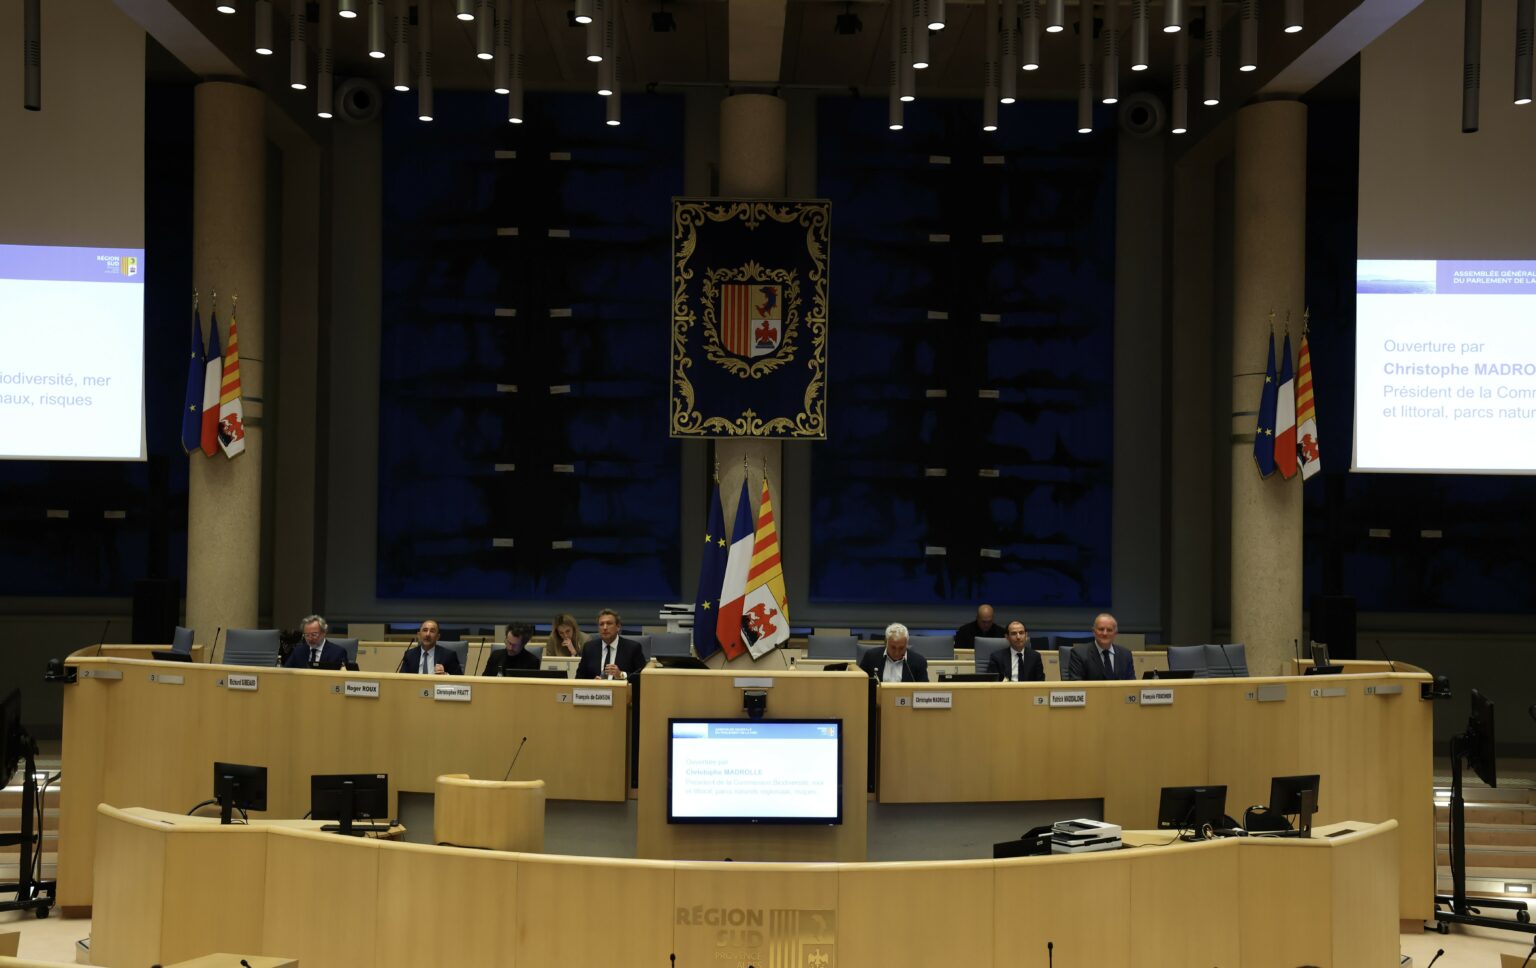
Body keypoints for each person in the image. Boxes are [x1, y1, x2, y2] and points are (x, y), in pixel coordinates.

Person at [575, 609, 646, 680]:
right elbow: (579, 678)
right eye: (601, 624)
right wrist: (593, 682)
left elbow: (643, 677)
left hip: (621, 687)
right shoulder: (589, 648)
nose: (605, 628)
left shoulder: (632, 648)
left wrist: (621, 675)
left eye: (609, 623)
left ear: (618, 627)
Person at [1066, 613, 1136, 681]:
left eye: (1109, 630)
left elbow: (1132, 683)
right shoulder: (1079, 654)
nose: (1105, 633)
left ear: (1115, 633)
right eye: (1101, 629)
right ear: (1094, 631)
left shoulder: (1125, 655)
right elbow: (1076, 684)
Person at [857, 622, 929, 682]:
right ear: (886, 642)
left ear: (906, 644)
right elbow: (859, 683)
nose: (897, 653)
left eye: (901, 648)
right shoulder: (871, 657)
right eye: (893, 647)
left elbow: (924, 690)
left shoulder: (919, 662)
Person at [283, 614, 349, 668]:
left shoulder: (337, 653)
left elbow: (342, 676)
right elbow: (285, 671)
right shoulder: (299, 650)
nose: (310, 638)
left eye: (314, 635)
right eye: (307, 635)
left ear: (324, 633)